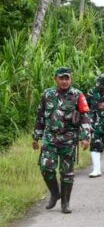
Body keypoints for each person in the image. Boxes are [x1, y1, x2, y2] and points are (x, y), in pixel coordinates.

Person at [32, 67, 90, 214]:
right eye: (61, 78)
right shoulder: (47, 94)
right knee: (46, 168)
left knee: (67, 173)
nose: (64, 81)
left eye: (67, 78)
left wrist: (85, 137)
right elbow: (40, 116)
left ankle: (65, 203)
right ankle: (55, 193)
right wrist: (36, 137)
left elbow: (84, 116)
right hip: (50, 139)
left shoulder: (77, 95)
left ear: (71, 79)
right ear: (55, 79)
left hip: (68, 140)